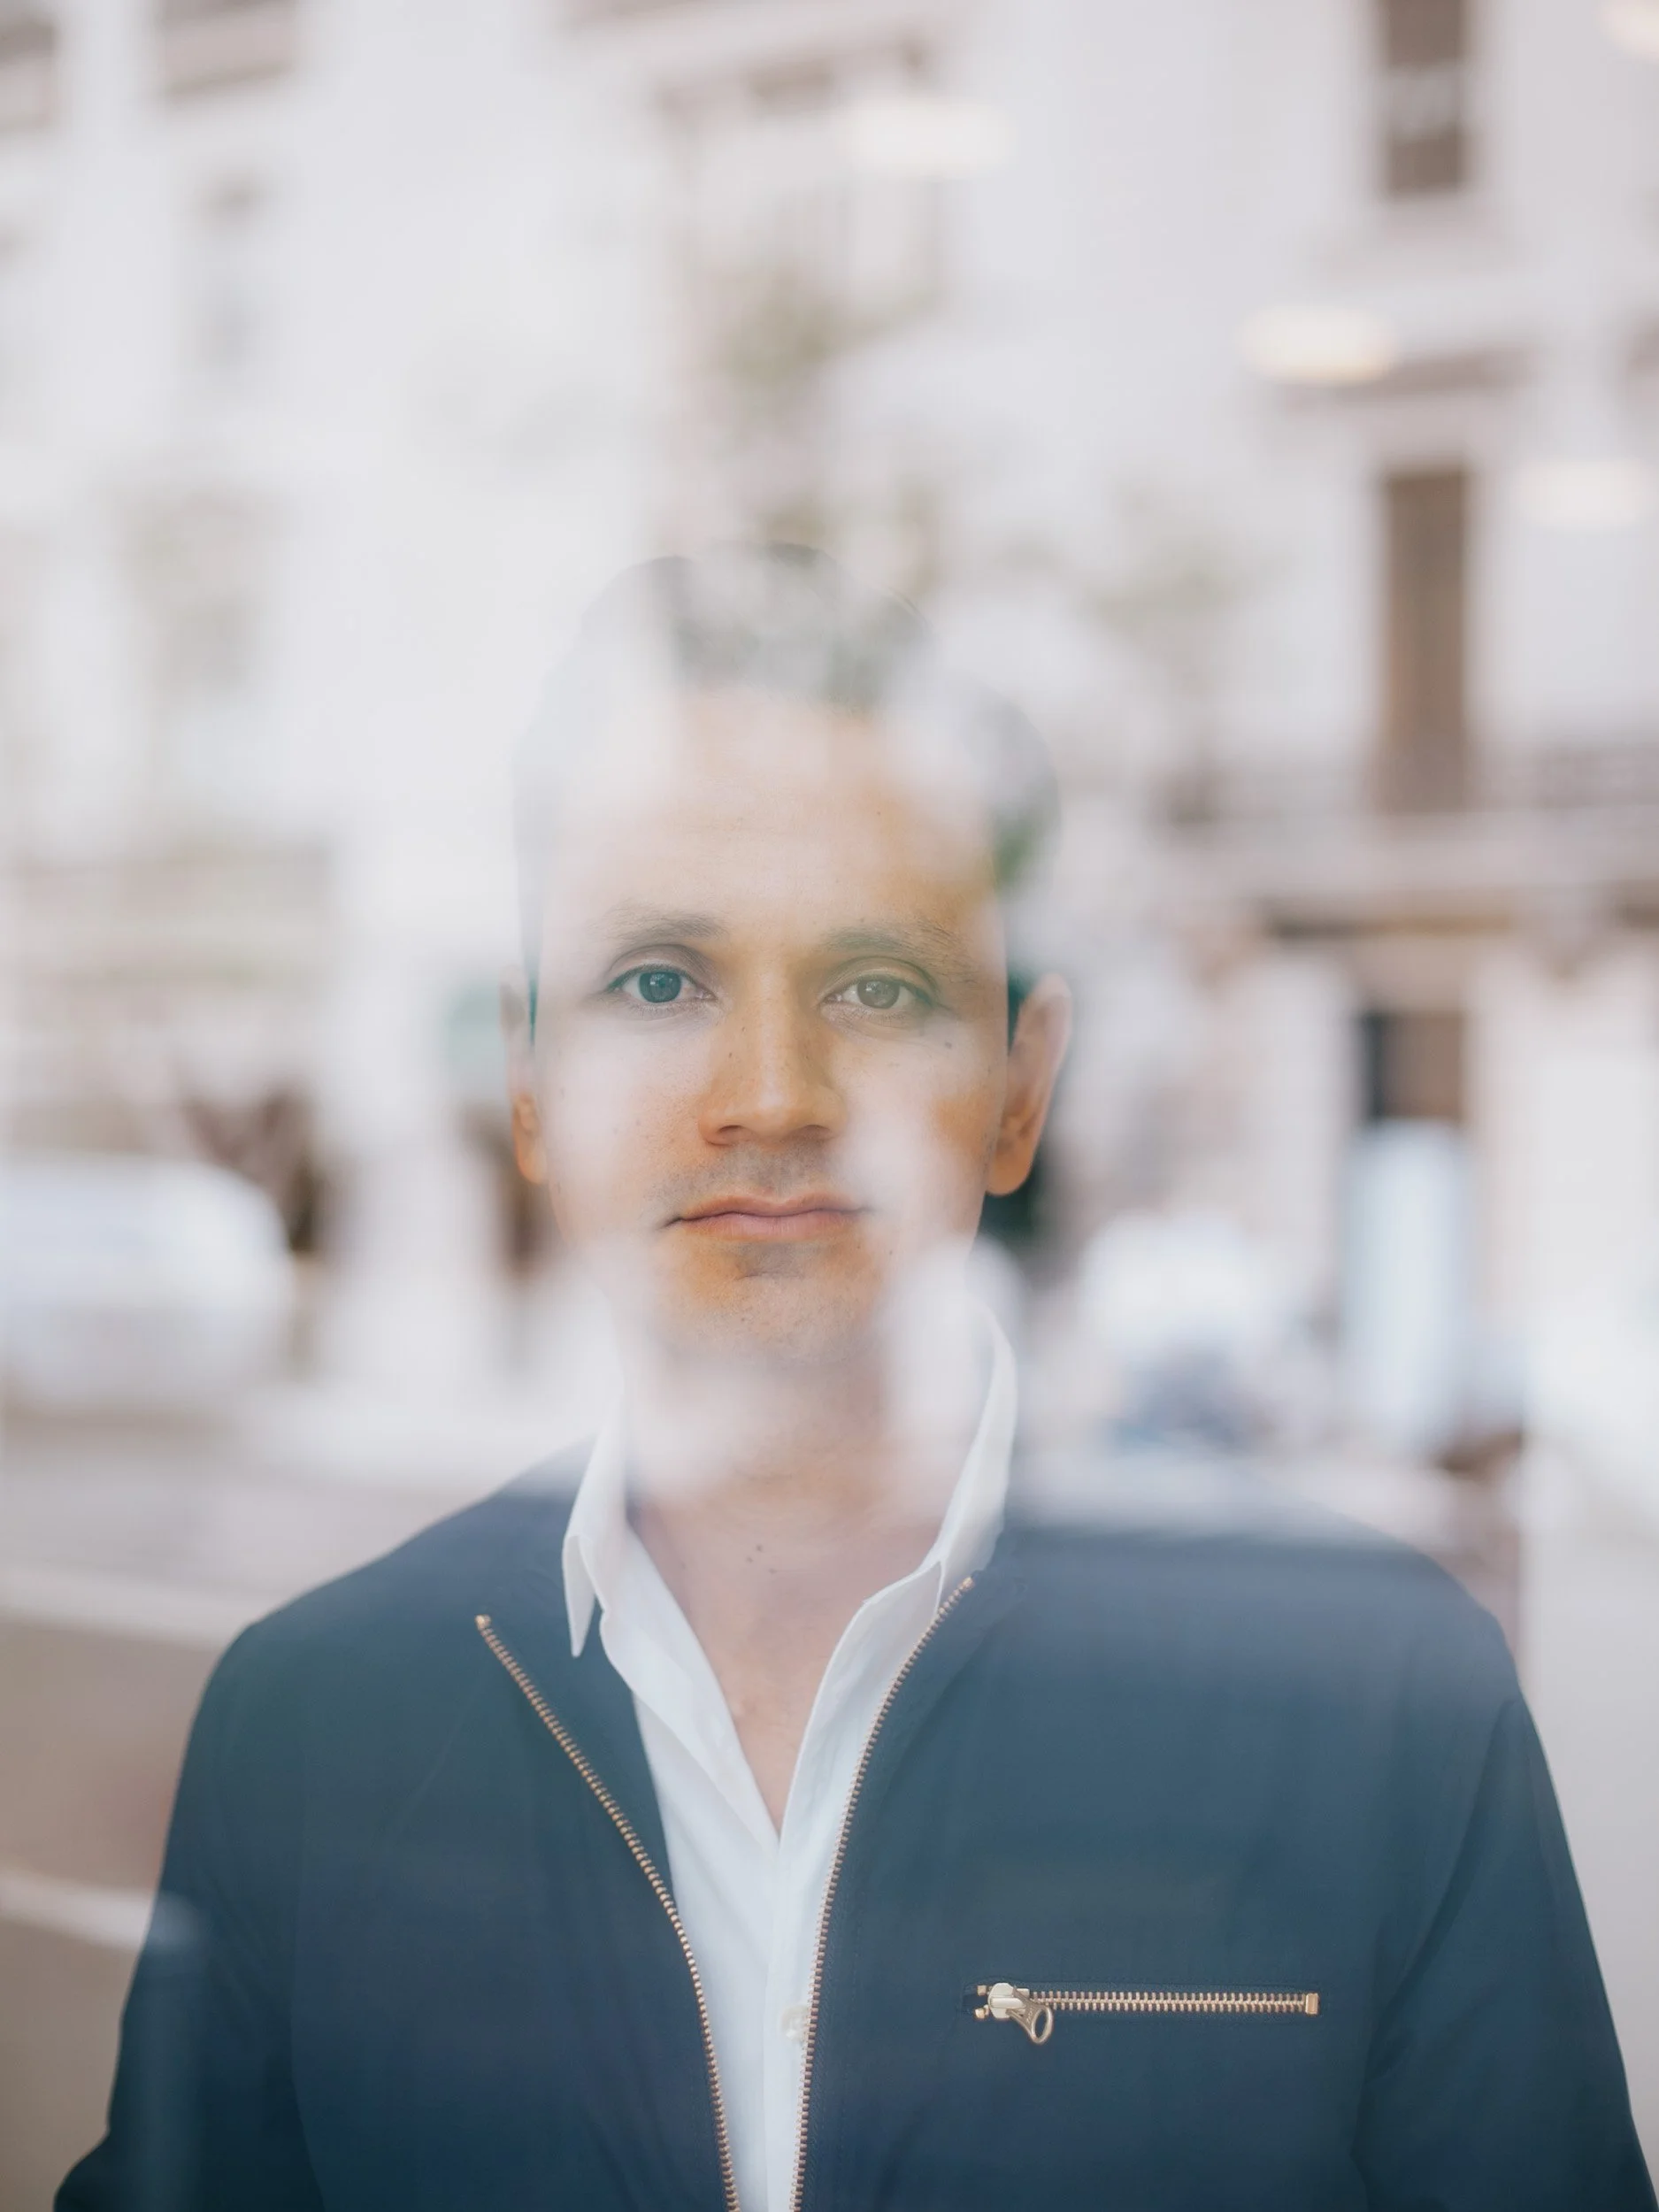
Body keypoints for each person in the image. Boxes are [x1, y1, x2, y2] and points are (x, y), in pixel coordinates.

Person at [61, 547, 1653, 2212]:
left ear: (1020, 1088)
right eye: (658, 981)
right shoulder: (311, 1725)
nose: (773, 1093)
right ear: (529, 1086)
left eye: (877, 986)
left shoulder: (1378, 1702)